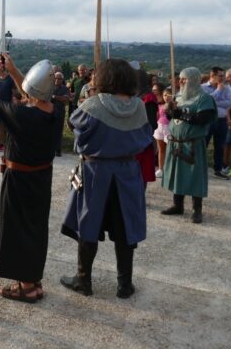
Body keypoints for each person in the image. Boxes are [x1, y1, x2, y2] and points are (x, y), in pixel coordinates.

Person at [60, 58, 153, 299]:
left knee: (88, 223)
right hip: (128, 172)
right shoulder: (139, 107)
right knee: (125, 227)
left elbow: (75, 127)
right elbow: (145, 138)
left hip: (96, 172)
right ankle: (124, 285)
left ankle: (84, 280)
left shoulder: (92, 105)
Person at [0, 54, 57, 303]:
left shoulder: (23, 115)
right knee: (35, 228)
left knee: (17, 230)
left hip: (20, 180)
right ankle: (33, 279)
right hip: (42, 178)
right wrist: (15, 70)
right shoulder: (54, 111)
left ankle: (27, 286)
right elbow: (33, 95)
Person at [161, 67, 216, 224]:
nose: (181, 81)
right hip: (176, 143)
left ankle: (197, 210)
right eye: (180, 79)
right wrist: (169, 110)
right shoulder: (178, 96)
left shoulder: (204, 98)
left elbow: (202, 119)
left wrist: (181, 115)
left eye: (184, 79)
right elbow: (172, 116)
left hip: (192, 144)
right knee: (177, 175)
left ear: (193, 79)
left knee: (194, 176)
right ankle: (177, 206)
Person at [202, 67, 231, 179]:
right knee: (202, 145)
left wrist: (214, 101)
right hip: (208, 121)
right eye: (220, 75)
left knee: (220, 146)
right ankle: (200, 169)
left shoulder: (227, 87)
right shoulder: (203, 87)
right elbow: (206, 102)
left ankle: (218, 169)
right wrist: (219, 91)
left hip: (222, 120)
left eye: (223, 75)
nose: (223, 78)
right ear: (212, 75)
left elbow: (229, 103)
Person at [154, 87, 174, 178]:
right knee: (161, 149)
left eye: (169, 95)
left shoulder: (174, 106)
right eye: (165, 95)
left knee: (171, 150)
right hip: (159, 128)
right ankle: (161, 169)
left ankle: (170, 169)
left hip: (169, 129)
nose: (166, 97)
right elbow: (157, 116)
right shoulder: (159, 106)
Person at [51, 72, 71, 156]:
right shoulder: (49, 87)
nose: (57, 80)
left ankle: (58, 150)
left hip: (59, 112)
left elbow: (66, 99)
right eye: (55, 78)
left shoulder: (65, 89)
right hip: (49, 112)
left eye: (59, 78)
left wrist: (55, 97)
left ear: (62, 80)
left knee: (58, 131)